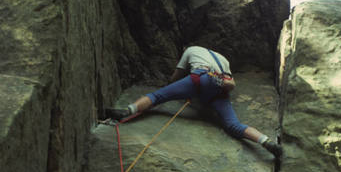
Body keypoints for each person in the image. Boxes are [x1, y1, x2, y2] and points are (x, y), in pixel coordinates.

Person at [104, 45, 282, 158]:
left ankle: (126, 112)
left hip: (200, 78)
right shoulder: (223, 59)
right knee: (233, 125)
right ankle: (266, 142)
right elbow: (228, 80)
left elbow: (177, 76)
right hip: (220, 87)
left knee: (158, 96)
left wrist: (174, 88)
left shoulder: (190, 50)